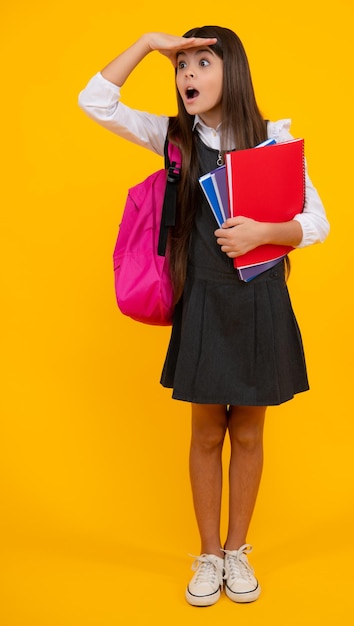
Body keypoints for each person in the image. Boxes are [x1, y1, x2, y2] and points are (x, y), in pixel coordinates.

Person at [78, 25, 329, 607]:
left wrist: (270, 232)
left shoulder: (274, 140)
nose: (187, 74)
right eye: (181, 65)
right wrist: (145, 45)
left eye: (201, 63)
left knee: (248, 431)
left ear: (232, 70)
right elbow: (95, 101)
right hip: (204, 301)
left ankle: (239, 553)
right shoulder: (173, 137)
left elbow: (318, 222)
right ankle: (209, 555)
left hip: (261, 298)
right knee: (205, 431)